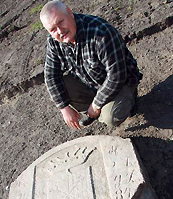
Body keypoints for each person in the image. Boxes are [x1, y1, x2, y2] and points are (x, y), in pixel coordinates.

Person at [40, 0, 142, 129]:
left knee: (111, 117)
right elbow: (50, 76)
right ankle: (98, 109)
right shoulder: (54, 42)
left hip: (122, 82)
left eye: (61, 22)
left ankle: (128, 102)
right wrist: (63, 107)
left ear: (70, 13)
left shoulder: (100, 33)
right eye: (53, 29)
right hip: (92, 82)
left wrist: (96, 104)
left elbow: (117, 76)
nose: (60, 31)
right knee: (60, 88)